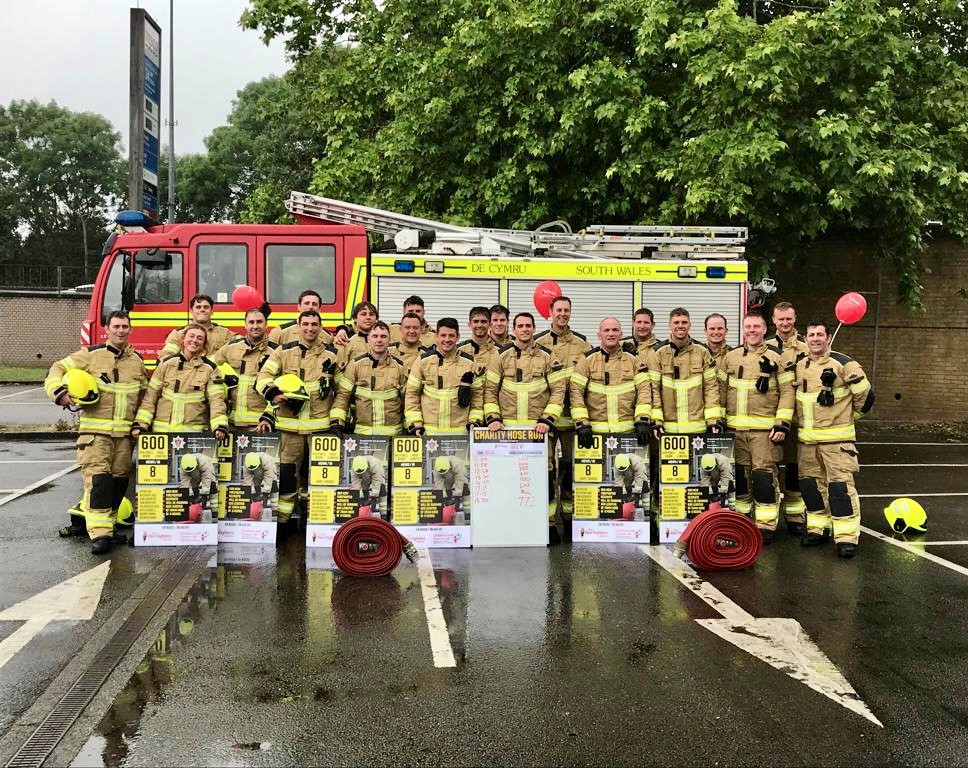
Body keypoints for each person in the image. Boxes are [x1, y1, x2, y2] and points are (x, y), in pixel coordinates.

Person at [45, 311, 147, 554]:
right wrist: (60, 393)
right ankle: (99, 535)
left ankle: (108, 528)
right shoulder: (90, 355)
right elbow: (57, 368)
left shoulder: (137, 362)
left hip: (123, 437)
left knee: (119, 484)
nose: (121, 331)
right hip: (95, 434)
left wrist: (140, 424)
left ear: (130, 329)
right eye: (116, 326)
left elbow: (143, 397)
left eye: (125, 327)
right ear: (107, 329)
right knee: (99, 483)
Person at [791, 320, 874, 558]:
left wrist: (848, 416)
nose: (815, 339)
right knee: (811, 489)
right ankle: (818, 529)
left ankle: (846, 537)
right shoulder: (800, 366)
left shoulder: (844, 363)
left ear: (828, 337)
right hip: (807, 442)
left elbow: (866, 398)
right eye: (811, 335)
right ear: (805, 339)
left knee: (840, 489)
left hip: (837, 442)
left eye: (819, 334)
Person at [484, 312, 567, 540]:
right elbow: (489, 390)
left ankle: (548, 524)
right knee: (509, 478)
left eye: (528, 325)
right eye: (520, 326)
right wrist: (493, 417)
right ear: (514, 329)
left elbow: (559, 390)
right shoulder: (500, 356)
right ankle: (510, 521)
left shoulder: (548, 357)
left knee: (545, 478)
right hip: (507, 433)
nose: (524, 329)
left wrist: (547, 419)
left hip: (538, 433)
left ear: (533, 328)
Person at [255, 310, 339, 529]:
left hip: (320, 430)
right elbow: (263, 377)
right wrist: (272, 392)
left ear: (320, 327)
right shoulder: (283, 352)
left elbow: (342, 391)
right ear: (299, 326)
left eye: (314, 324)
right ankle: (282, 525)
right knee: (286, 478)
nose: (310, 328)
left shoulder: (333, 354)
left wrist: (338, 420)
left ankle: (310, 525)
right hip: (289, 430)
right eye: (306, 324)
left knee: (315, 479)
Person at [718, 313, 793, 542]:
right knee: (740, 478)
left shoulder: (778, 357)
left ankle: (766, 525)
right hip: (734, 431)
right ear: (742, 330)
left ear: (764, 329)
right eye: (748, 326)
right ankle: (742, 521)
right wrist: (718, 421)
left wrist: (782, 424)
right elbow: (720, 391)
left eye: (756, 327)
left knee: (763, 478)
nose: (752, 330)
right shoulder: (730, 358)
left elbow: (788, 392)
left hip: (764, 432)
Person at [534, 296, 591, 532]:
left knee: (569, 468)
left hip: (571, 420)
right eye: (559, 310)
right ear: (550, 312)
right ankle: (546, 521)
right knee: (545, 470)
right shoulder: (538, 343)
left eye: (566, 310)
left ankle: (567, 518)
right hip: (545, 419)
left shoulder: (583, 344)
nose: (563, 314)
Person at [132, 324, 229, 438]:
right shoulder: (166, 364)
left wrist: (219, 425)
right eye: (191, 336)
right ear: (183, 339)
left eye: (199, 338)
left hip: (193, 436)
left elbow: (216, 401)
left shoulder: (210, 369)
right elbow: (150, 397)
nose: (194, 340)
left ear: (204, 344)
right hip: (162, 434)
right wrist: (141, 424)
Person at [767, 301, 810, 534]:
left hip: (798, 421)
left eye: (789, 319)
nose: (785, 323)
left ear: (795, 319)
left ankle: (794, 516)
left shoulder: (807, 348)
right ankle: (768, 518)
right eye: (780, 319)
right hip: (770, 420)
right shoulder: (764, 348)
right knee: (770, 467)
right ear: (773, 321)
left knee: (795, 468)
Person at [404, 318, 484, 435]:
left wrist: (474, 421)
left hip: (460, 435)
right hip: (429, 435)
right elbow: (411, 394)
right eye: (443, 335)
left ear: (458, 337)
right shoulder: (422, 361)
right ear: (436, 336)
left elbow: (477, 396)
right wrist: (415, 424)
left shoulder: (470, 363)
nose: (447, 339)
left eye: (451, 335)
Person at [330, 321, 409, 435]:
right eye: (375, 336)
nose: (379, 340)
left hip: (393, 436)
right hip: (362, 436)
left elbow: (408, 401)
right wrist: (337, 422)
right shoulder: (355, 365)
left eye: (383, 336)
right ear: (369, 339)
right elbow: (343, 396)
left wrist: (410, 426)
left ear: (389, 340)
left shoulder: (400, 367)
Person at [653, 308, 723, 435]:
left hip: (698, 429)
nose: (680, 326)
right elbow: (654, 390)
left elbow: (711, 389)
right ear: (669, 325)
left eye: (684, 322)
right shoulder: (659, 353)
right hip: (668, 430)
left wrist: (713, 420)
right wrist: (656, 422)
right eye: (676, 322)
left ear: (690, 325)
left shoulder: (702, 352)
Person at [210, 307, 277, 429]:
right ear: (245, 325)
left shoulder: (276, 352)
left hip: (260, 425)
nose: (255, 326)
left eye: (259, 322)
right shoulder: (230, 348)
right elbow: (209, 367)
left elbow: (281, 389)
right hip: (231, 423)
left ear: (266, 324)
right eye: (251, 322)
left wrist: (268, 417)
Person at [161, 293, 236, 357]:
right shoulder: (178, 334)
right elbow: (166, 356)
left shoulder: (224, 333)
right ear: (191, 311)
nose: (202, 309)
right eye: (198, 307)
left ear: (212, 311)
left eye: (206, 307)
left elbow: (243, 346)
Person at [268, 290, 335, 346]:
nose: (310, 307)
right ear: (299, 307)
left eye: (314, 304)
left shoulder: (328, 337)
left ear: (319, 309)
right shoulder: (279, 333)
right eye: (307, 303)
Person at [335, 301, 379, 371]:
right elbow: (339, 369)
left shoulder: (383, 337)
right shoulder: (344, 338)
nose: (368, 317)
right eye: (363, 314)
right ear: (355, 318)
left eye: (371, 314)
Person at [458, 306, 501, 375]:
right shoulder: (459, 351)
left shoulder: (501, 352)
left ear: (490, 325)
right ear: (469, 324)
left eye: (483, 322)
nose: (480, 325)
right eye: (476, 321)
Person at [178, 453, 217, 523]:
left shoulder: (204, 462)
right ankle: (195, 510)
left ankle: (215, 512)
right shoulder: (183, 466)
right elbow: (185, 482)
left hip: (208, 474)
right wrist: (189, 495)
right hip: (193, 477)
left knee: (212, 488)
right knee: (193, 492)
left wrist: (204, 495)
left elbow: (207, 478)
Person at [433, 455, 468, 524]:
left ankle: (467, 514)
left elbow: (459, 480)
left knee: (465, 490)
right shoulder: (437, 468)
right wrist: (444, 497)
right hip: (447, 480)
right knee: (447, 495)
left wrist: (457, 496)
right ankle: (449, 514)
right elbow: (439, 483)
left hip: (460, 478)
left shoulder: (457, 464)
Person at [242, 451, 278, 518]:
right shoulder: (247, 464)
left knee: (273, 486)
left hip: (270, 472)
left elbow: (268, 477)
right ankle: (257, 509)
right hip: (256, 475)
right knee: (255, 490)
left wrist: (265, 493)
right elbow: (247, 480)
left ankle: (275, 509)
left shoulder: (266, 461)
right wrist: (251, 492)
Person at [613, 453, 648, 517]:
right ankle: (628, 506)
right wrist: (623, 494)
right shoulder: (617, 465)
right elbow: (618, 480)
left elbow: (639, 477)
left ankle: (647, 510)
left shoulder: (636, 461)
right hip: (626, 474)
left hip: (640, 471)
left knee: (644, 485)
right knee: (627, 487)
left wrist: (637, 493)